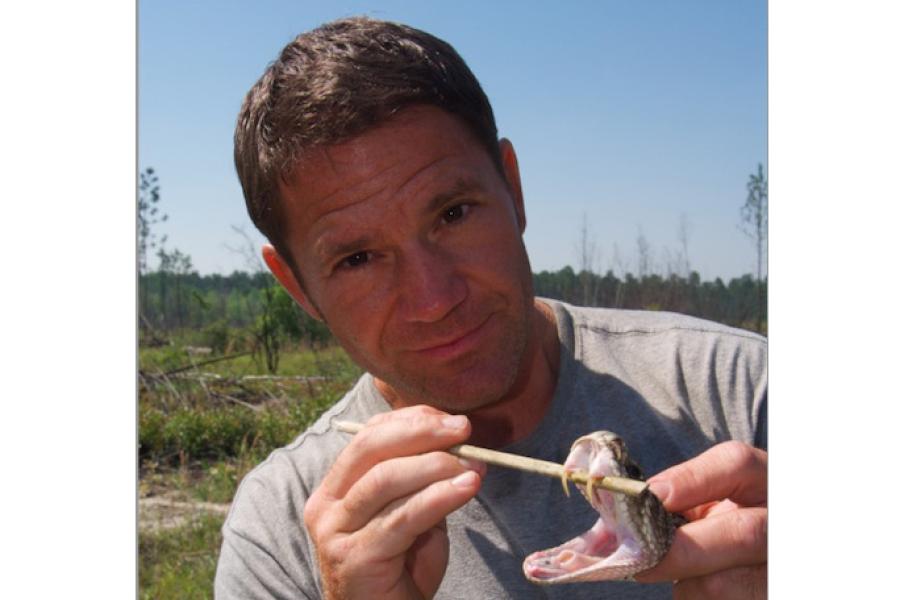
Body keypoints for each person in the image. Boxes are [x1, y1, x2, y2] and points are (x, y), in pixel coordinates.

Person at [215, 16, 767, 600]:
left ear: (514, 191)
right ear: (298, 288)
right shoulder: (277, 535)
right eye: (357, 259)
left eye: (453, 213)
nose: (434, 300)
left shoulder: (740, 395)